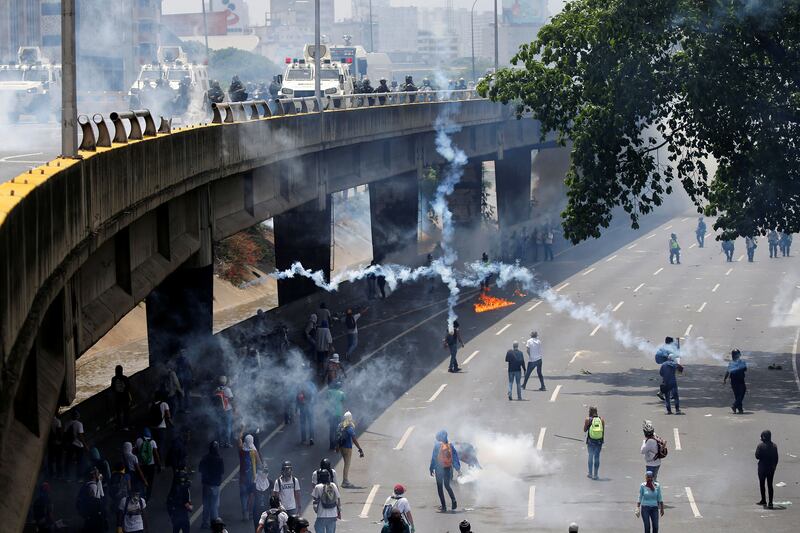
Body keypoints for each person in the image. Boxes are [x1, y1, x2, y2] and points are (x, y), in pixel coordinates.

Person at [430, 430, 460, 512]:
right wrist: (458, 469)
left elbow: (434, 458)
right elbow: (455, 457)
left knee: (440, 488)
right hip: (448, 468)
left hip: (439, 469)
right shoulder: (450, 445)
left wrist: (431, 468)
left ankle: (444, 506)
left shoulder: (437, 445)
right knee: (447, 485)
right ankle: (453, 500)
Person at [199, 441, 224, 528]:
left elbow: (200, 469)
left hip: (206, 485)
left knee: (206, 505)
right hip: (215, 485)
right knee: (214, 505)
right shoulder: (219, 459)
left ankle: (205, 523)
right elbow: (222, 472)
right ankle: (215, 524)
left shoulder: (205, 458)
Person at [336, 411, 364, 488]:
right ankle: (345, 481)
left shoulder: (340, 425)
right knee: (347, 464)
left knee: (345, 463)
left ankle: (345, 480)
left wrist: (337, 447)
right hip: (347, 448)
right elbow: (354, 439)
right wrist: (360, 449)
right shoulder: (349, 427)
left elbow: (338, 436)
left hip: (341, 447)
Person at [239, 432, 263, 521]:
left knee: (243, 496)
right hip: (252, 478)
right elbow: (260, 464)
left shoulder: (241, 451)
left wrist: (241, 430)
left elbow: (239, 441)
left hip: (242, 478)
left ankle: (244, 513)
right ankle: (250, 512)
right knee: (251, 495)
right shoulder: (254, 451)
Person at [311, 468, 341, 533]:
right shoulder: (333, 485)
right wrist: (338, 511)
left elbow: (315, 500)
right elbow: (337, 499)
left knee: (317, 527)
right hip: (333, 514)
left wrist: (316, 510)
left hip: (322, 514)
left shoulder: (318, 487)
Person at [78, 467, 107, 533]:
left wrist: (99, 481)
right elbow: (95, 499)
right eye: (97, 473)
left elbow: (101, 494)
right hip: (93, 512)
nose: (99, 474)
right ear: (93, 475)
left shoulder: (91, 484)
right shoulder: (92, 486)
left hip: (91, 511)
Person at [756, 430, 779, 508]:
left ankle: (763, 500)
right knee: (770, 485)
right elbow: (776, 458)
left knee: (762, 484)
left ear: (763, 437)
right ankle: (770, 502)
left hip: (762, 468)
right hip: (771, 468)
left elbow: (757, 456)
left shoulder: (760, 446)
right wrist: (774, 466)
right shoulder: (774, 446)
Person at [136, 428, 161, 501]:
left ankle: (141, 496)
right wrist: (159, 465)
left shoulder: (138, 440)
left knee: (141, 480)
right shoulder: (153, 442)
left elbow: (137, 451)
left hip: (141, 465)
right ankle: (148, 497)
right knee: (150, 482)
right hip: (151, 465)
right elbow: (156, 454)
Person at [166, 466, 192, 533]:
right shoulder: (185, 490)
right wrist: (188, 506)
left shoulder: (173, 489)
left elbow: (168, 503)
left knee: (176, 529)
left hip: (175, 516)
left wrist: (171, 515)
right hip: (183, 516)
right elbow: (187, 505)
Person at [64, 409, 88, 481]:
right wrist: (85, 445)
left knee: (68, 461)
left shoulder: (67, 423)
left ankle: (67, 477)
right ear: (77, 416)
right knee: (80, 461)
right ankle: (79, 477)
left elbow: (65, 434)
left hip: (70, 445)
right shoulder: (79, 424)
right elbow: (80, 436)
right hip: (79, 445)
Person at [723, 349, 747, 413]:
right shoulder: (741, 362)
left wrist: (725, 379)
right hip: (740, 381)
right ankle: (735, 405)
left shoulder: (731, 363)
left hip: (733, 381)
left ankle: (740, 409)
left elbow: (728, 371)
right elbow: (745, 369)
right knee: (741, 393)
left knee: (737, 395)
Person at [584, 406, 605, 480]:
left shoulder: (588, 419)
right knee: (597, 457)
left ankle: (590, 473)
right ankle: (595, 474)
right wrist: (602, 441)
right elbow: (603, 431)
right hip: (599, 441)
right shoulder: (601, 419)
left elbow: (584, 430)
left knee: (590, 456)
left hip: (590, 441)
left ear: (590, 412)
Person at [214, 376, 234, 447]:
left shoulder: (217, 389)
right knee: (228, 426)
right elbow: (231, 399)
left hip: (219, 410)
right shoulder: (228, 390)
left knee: (220, 426)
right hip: (227, 410)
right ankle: (227, 442)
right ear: (225, 382)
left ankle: (220, 442)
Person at [325, 382, 346, 451]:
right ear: (339, 387)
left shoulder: (329, 392)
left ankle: (331, 445)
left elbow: (326, 399)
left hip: (331, 413)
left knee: (331, 430)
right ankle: (337, 445)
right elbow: (344, 401)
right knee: (338, 430)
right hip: (338, 414)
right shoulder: (341, 393)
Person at [111, 365, 132, 429]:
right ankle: (126, 426)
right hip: (125, 398)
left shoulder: (114, 379)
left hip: (118, 398)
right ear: (122, 371)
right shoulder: (125, 378)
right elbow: (128, 387)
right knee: (126, 413)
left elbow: (112, 389)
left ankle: (119, 425)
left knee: (118, 413)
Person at [296, 380, 317, 445]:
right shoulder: (311, 387)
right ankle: (311, 438)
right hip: (310, 409)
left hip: (303, 410)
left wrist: (296, 409)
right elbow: (314, 397)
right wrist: (314, 404)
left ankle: (303, 439)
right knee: (311, 424)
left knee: (303, 424)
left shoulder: (299, 389)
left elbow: (297, 400)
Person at [252, 465, 272, 531]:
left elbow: (273, 494)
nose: (265, 474)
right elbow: (250, 495)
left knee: (268, 528)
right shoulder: (254, 484)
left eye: (266, 472)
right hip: (257, 510)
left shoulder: (270, 482)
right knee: (257, 528)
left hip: (266, 510)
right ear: (259, 472)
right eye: (263, 472)